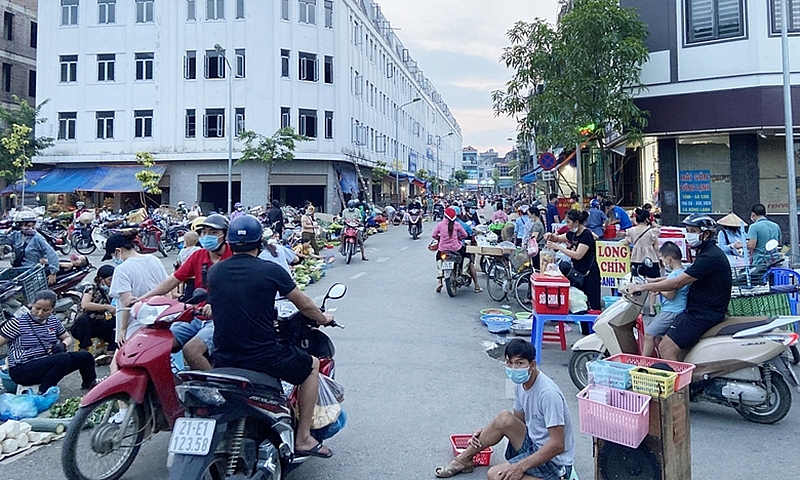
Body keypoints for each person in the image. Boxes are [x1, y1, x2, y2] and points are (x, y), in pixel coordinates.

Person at [208, 215, 335, 458]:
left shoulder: (215, 272)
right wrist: (323, 318)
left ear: (229, 243)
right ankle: (304, 438)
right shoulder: (271, 270)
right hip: (263, 356)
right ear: (260, 243)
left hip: (223, 357)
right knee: (312, 366)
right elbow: (305, 305)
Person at [434, 339, 574, 479]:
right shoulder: (520, 383)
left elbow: (557, 445)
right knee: (504, 418)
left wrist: (521, 466)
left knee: (495, 474)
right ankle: (463, 460)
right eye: (509, 362)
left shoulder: (548, 394)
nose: (514, 368)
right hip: (533, 444)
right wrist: (486, 432)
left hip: (555, 462)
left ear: (532, 365)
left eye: (519, 363)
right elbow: (517, 422)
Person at [628, 214, 732, 361]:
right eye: (688, 230)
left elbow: (676, 282)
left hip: (701, 314)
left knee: (665, 347)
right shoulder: (705, 253)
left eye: (693, 231)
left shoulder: (710, 257)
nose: (689, 235)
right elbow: (678, 277)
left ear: (706, 234)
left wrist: (644, 287)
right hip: (697, 309)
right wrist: (652, 282)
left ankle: (680, 384)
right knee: (661, 340)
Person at [139, 214, 232, 371]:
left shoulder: (233, 257)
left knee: (191, 351)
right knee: (157, 344)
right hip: (194, 316)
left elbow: (238, 290)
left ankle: (214, 392)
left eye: (214, 232)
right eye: (204, 232)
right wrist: (144, 298)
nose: (207, 236)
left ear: (225, 235)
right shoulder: (198, 255)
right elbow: (174, 279)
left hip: (219, 320)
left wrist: (215, 303)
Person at [0, 290, 98, 393]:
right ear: (31, 305)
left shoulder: (53, 321)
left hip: (46, 362)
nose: (40, 313)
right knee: (63, 359)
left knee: (85, 357)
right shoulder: (17, 323)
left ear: (52, 309)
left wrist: (63, 345)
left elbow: (67, 338)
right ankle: (44, 392)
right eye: (37, 308)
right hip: (23, 369)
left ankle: (89, 384)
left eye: (46, 310)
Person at [545, 210, 601, 334]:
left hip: (590, 275)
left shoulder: (586, 235)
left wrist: (559, 247)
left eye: (569, 222)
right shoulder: (572, 234)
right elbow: (558, 238)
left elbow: (578, 255)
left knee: (594, 307)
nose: (567, 225)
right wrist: (550, 235)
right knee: (581, 306)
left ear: (576, 222)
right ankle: (585, 334)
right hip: (578, 274)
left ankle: (597, 337)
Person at [642, 242, 689, 357]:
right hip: (679, 310)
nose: (662, 262)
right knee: (657, 336)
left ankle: (642, 363)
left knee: (648, 334)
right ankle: (660, 359)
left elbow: (670, 294)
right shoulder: (682, 272)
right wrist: (655, 282)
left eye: (662, 259)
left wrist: (658, 289)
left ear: (668, 259)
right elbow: (666, 282)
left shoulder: (674, 276)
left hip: (671, 311)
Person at [71, 265, 117, 359]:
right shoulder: (91, 288)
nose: (112, 283)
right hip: (81, 327)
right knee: (84, 319)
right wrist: (106, 307)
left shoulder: (110, 292)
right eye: (110, 280)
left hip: (98, 324)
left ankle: (110, 351)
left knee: (117, 321)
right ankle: (84, 349)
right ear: (101, 279)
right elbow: (85, 305)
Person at [623, 208, 661, 315]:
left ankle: (641, 309)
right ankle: (652, 309)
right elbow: (657, 247)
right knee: (653, 284)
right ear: (647, 219)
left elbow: (626, 243)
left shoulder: (631, 231)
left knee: (638, 283)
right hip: (651, 259)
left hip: (636, 259)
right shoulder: (652, 231)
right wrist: (660, 259)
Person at [6, 211, 60, 285]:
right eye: (27, 226)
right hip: (18, 271)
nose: (30, 228)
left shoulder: (38, 238)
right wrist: (7, 231)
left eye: (32, 226)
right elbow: (3, 239)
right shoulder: (16, 235)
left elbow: (51, 253)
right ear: (20, 226)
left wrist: (53, 272)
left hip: (33, 272)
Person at [431, 207, 468, 293]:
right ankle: (464, 271)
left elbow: (434, 235)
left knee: (438, 256)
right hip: (456, 248)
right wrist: (458, 237)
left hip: (443, 248)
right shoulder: (457, 225)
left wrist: (440, 238)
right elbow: (465, 234)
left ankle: (440, 272)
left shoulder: (440, 225)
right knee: (467, 254)